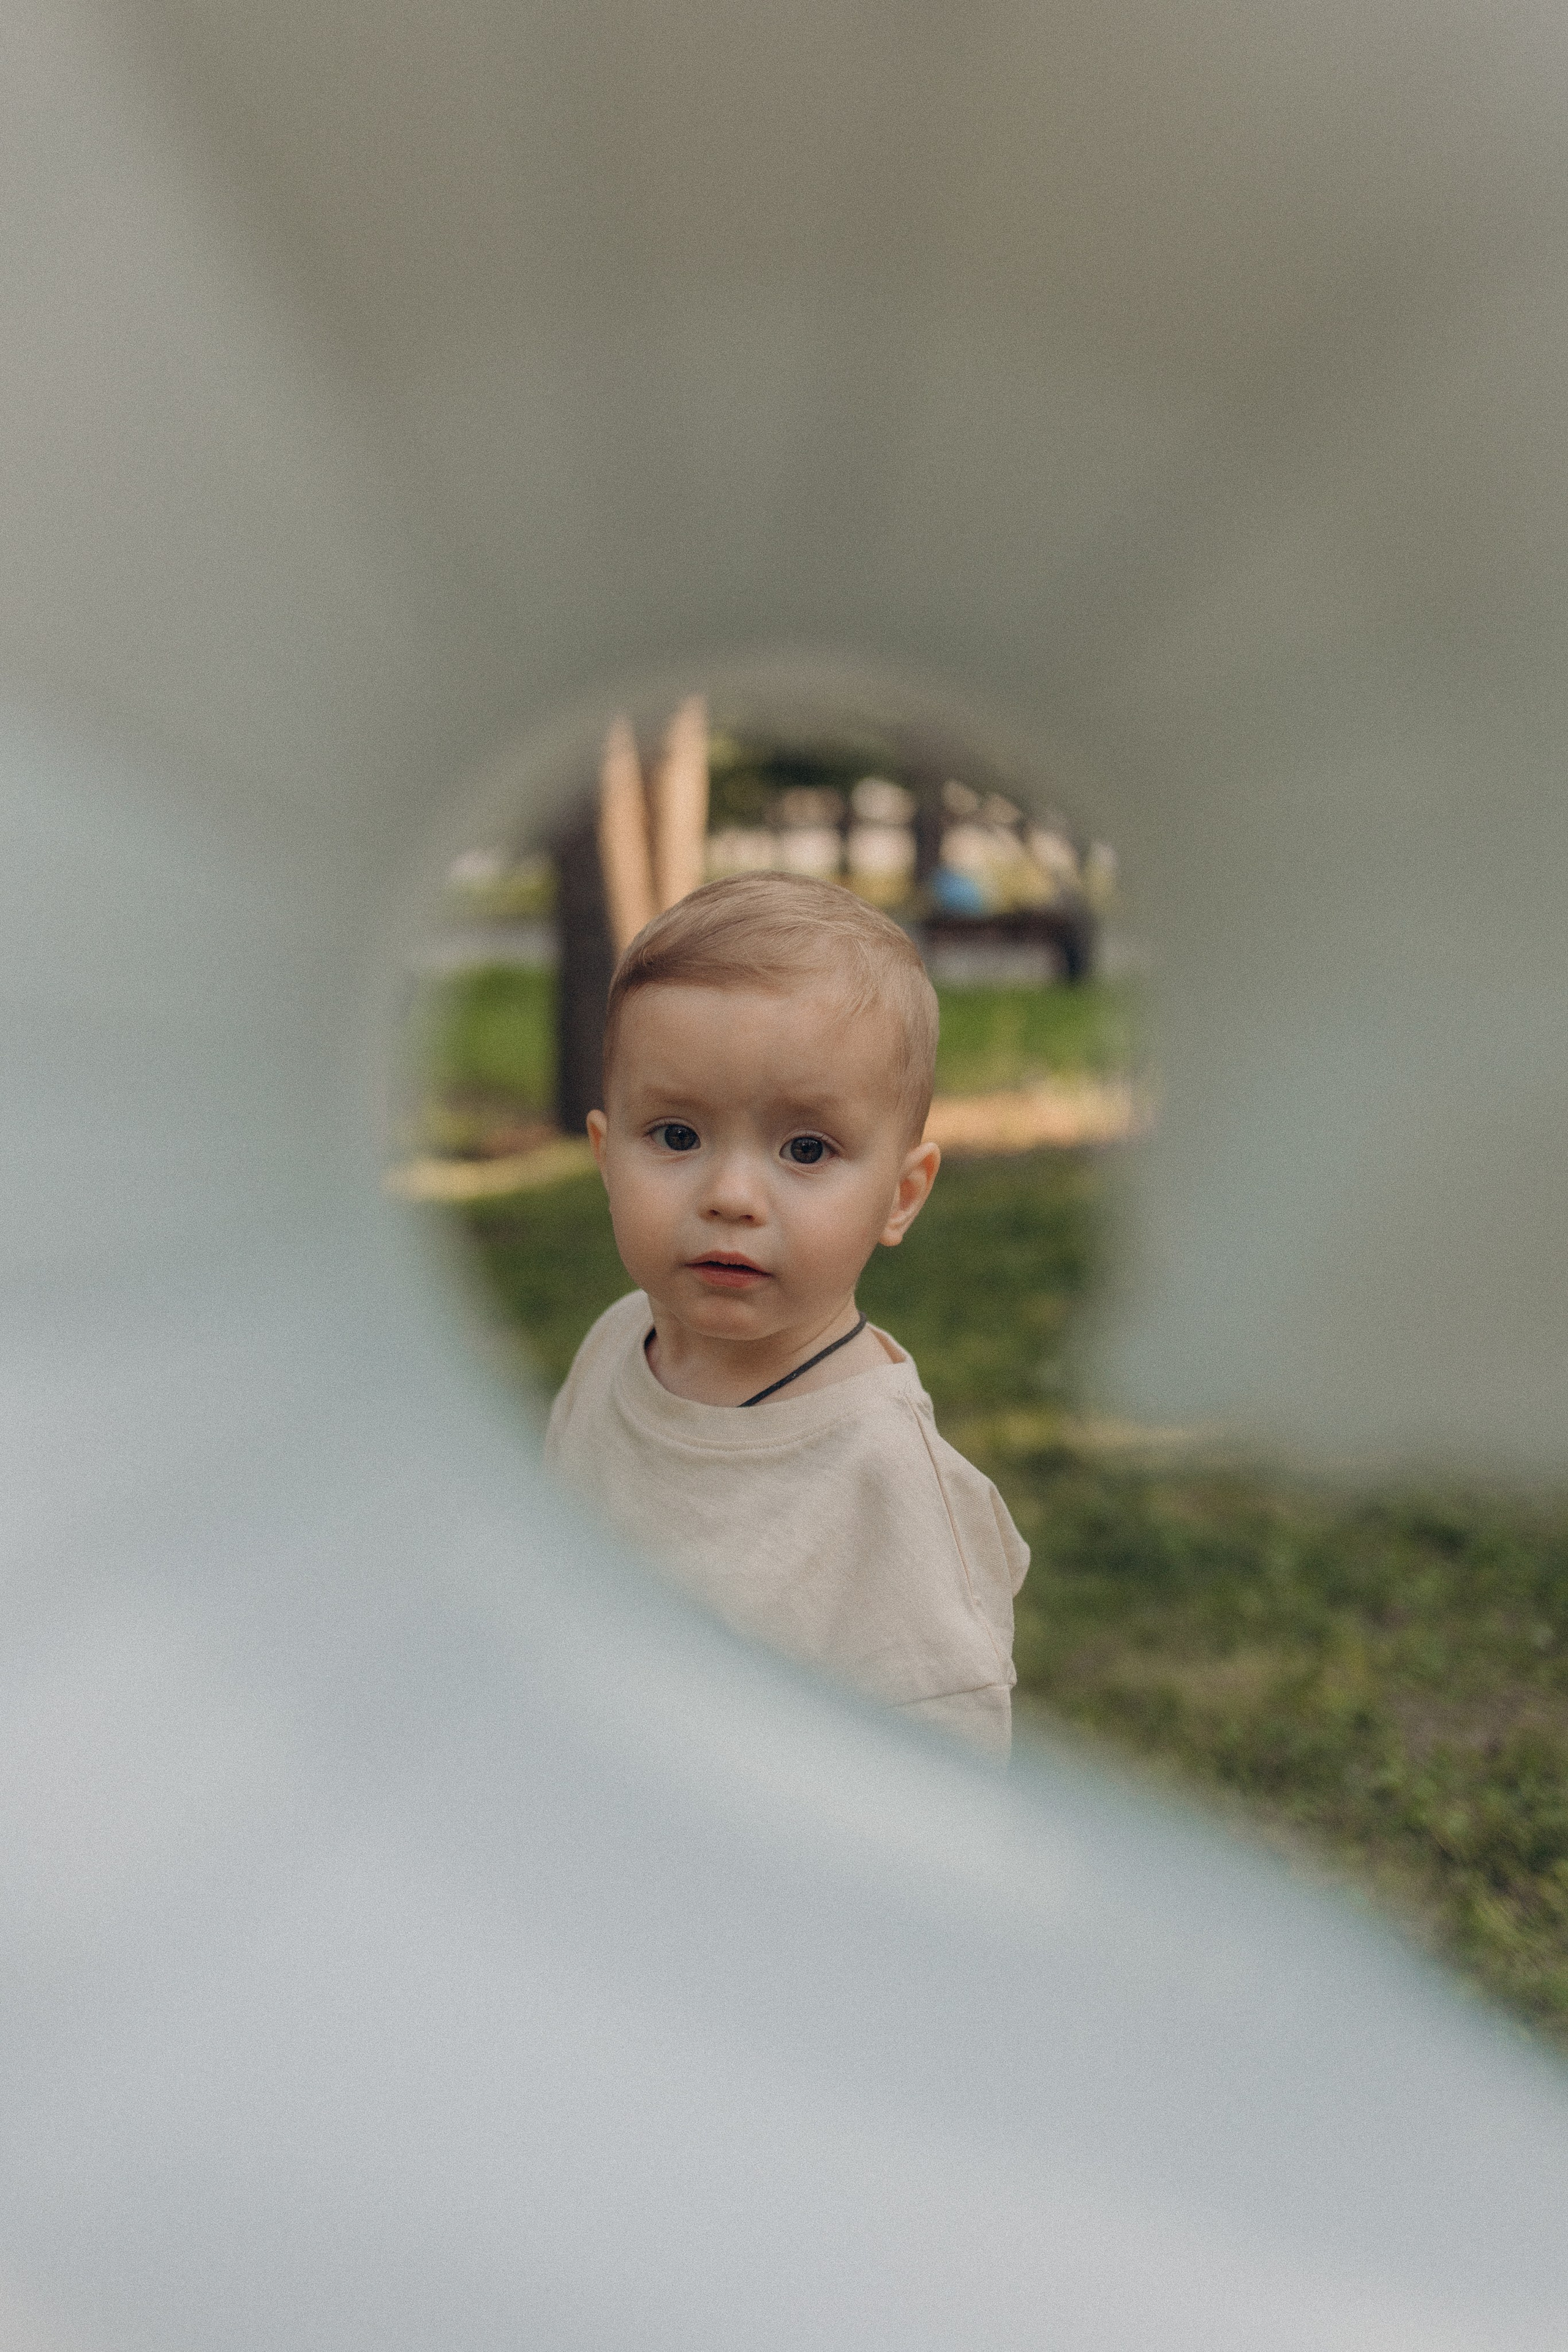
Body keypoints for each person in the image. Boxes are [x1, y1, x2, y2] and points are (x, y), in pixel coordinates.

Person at [545, 872, 1029, 1757]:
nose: (731, 1195)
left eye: (806, 1148)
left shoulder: (888, 1488)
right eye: (678, 1136)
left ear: (901, 1195)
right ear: (607, 1157)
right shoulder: (617, 1344)